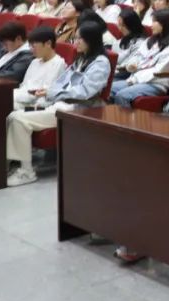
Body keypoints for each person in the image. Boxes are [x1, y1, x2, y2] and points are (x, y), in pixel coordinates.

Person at [6, 22, 112, 187]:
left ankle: (27, 172)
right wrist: (48, 92)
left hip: (78, 109)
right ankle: (15, 164)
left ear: (91, 40)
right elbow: (60, 83)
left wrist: (52, 93)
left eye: (80, 39)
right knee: (13, 114)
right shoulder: (81, 59)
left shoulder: (101, 63)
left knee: (18, 119)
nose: (75, 42)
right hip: (60, 104)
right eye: (75, 38)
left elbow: (85, 92)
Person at [110, 9, 169, 107]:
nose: (151, 25)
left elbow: (160, 69)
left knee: (122, 96)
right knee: (108, 89)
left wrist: (135, 78)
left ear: (165, 23)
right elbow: (138, 56)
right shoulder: (151, 40)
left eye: (154, 22)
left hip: (155, 83)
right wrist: (132, 64)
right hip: (137, 78)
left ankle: (125, 118)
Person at [10, 26, 68, 111]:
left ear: (48, 43)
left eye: (34, 46)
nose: (31, 50)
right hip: (21, 99)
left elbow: (46, 94)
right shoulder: (35, 62)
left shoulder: (58, 63)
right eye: (30, 46)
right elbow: (24, 85)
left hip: (35, 106)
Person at [112, 8, 149, 78]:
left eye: (123, 25)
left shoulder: (140, 43)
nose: (120, 28)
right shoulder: (120, 41)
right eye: (118, 24)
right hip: (115, 71)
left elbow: (129, 66)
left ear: (131, 25)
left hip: (126, 74)